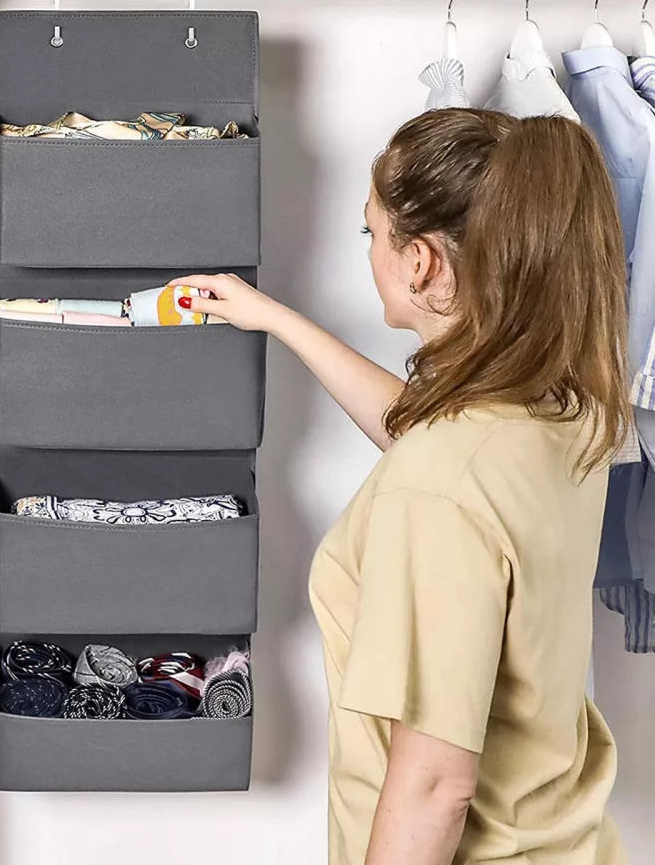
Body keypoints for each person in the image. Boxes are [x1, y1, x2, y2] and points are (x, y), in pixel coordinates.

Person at [173, 109, 629, 865]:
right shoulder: (561, 409)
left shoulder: (437, 487)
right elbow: (429, 440)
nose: (369, 250)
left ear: (418, 261)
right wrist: (277, 321)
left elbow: (434, 789)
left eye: (372, 232)